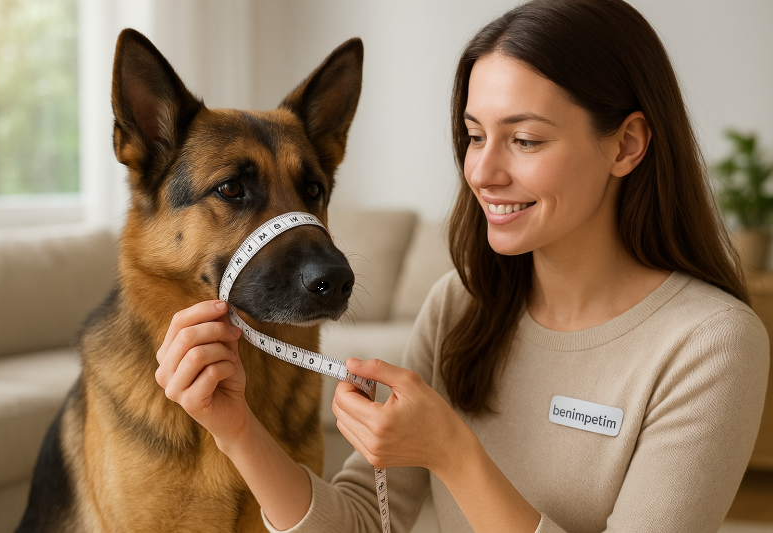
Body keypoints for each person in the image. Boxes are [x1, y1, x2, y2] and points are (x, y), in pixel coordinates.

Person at [154, 0, 770, 531]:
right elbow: (363, 524)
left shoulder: (710, 344)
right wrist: (234, 427)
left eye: (525, 140)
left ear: (626, 145)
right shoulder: (461, 305)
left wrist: (454, 454)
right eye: (475, 135)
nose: (483, 171)